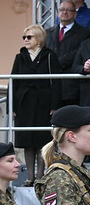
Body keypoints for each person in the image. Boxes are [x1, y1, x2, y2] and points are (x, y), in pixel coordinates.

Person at [11, 24, 61, 185]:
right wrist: (13, 107)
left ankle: (40, 176)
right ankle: (30, 177)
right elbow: (14, 82)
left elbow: (56, 82)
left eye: (29, 37)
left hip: (43, 103)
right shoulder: (20, 57)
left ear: (38, 39)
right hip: (24, 103)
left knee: (42, 140)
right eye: (24, 37)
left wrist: (54, 105)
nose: (25, 40)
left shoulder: (49, 56)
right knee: (27, 140)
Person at [46, 0, 90, 107]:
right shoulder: (48, 33)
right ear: (58, 13)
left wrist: (57, 62)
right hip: (51, 85)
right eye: (62, 10)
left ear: (75, 14)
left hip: (71, 85)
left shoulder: (84, 33)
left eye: (68, 10)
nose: (65, 12)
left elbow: (79, 52)